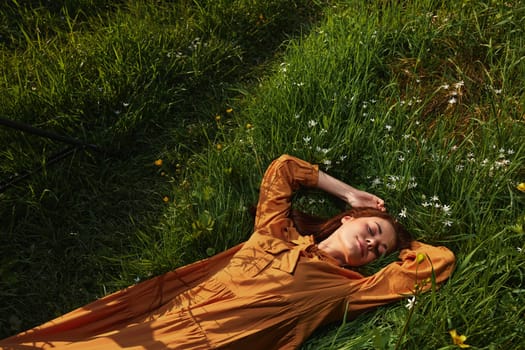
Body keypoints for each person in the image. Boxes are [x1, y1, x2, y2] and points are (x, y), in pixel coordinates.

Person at [0, 154, 455, 349]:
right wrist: (351, 194)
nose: (372, 245)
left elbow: (437, 264)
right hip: (158, 325)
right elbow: (283, 170)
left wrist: (406, 243)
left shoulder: (344, 292)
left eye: (379, 250)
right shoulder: (274, 234)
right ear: (350, 219)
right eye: (374, 231)